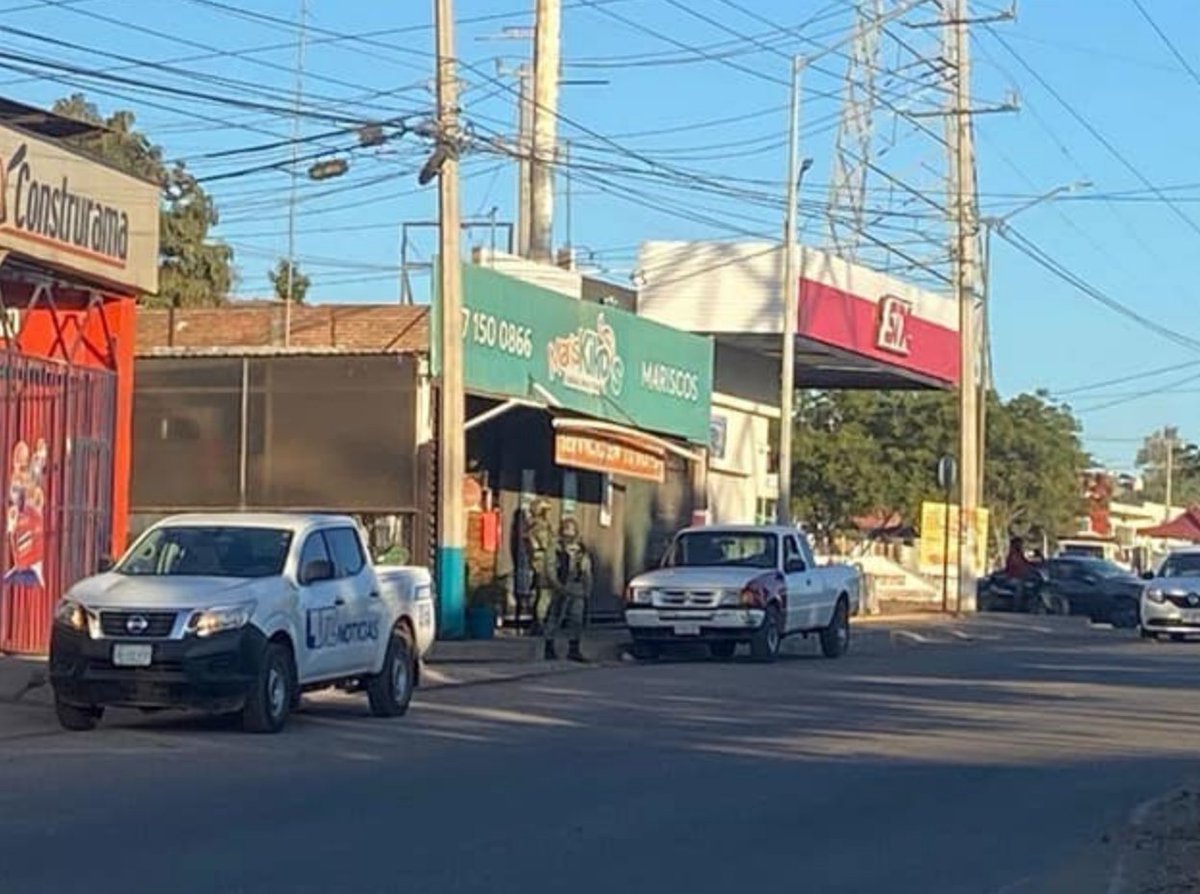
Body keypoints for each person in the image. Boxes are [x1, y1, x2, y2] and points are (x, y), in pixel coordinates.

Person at [544, 516, 593, 662]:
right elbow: (550, 568)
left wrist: (587, 589)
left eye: (572, 531)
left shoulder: (581, 549)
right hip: (561, 584)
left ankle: (574, 648)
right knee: (555, 617)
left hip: (577, 586)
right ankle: (549, 648)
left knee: (576, 619)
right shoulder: (555, 548)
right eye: (566, 531)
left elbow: (586, 569)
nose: (569, 535)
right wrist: (557, 585)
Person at [527, 499, 556, 636]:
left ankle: (538, 623)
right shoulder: (539, 526)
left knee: (540, 593)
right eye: (545, 510)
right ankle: (540, 623)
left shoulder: (535, 525)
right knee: (544, 593)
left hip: (541, 561)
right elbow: (544, 544)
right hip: (543, 562)